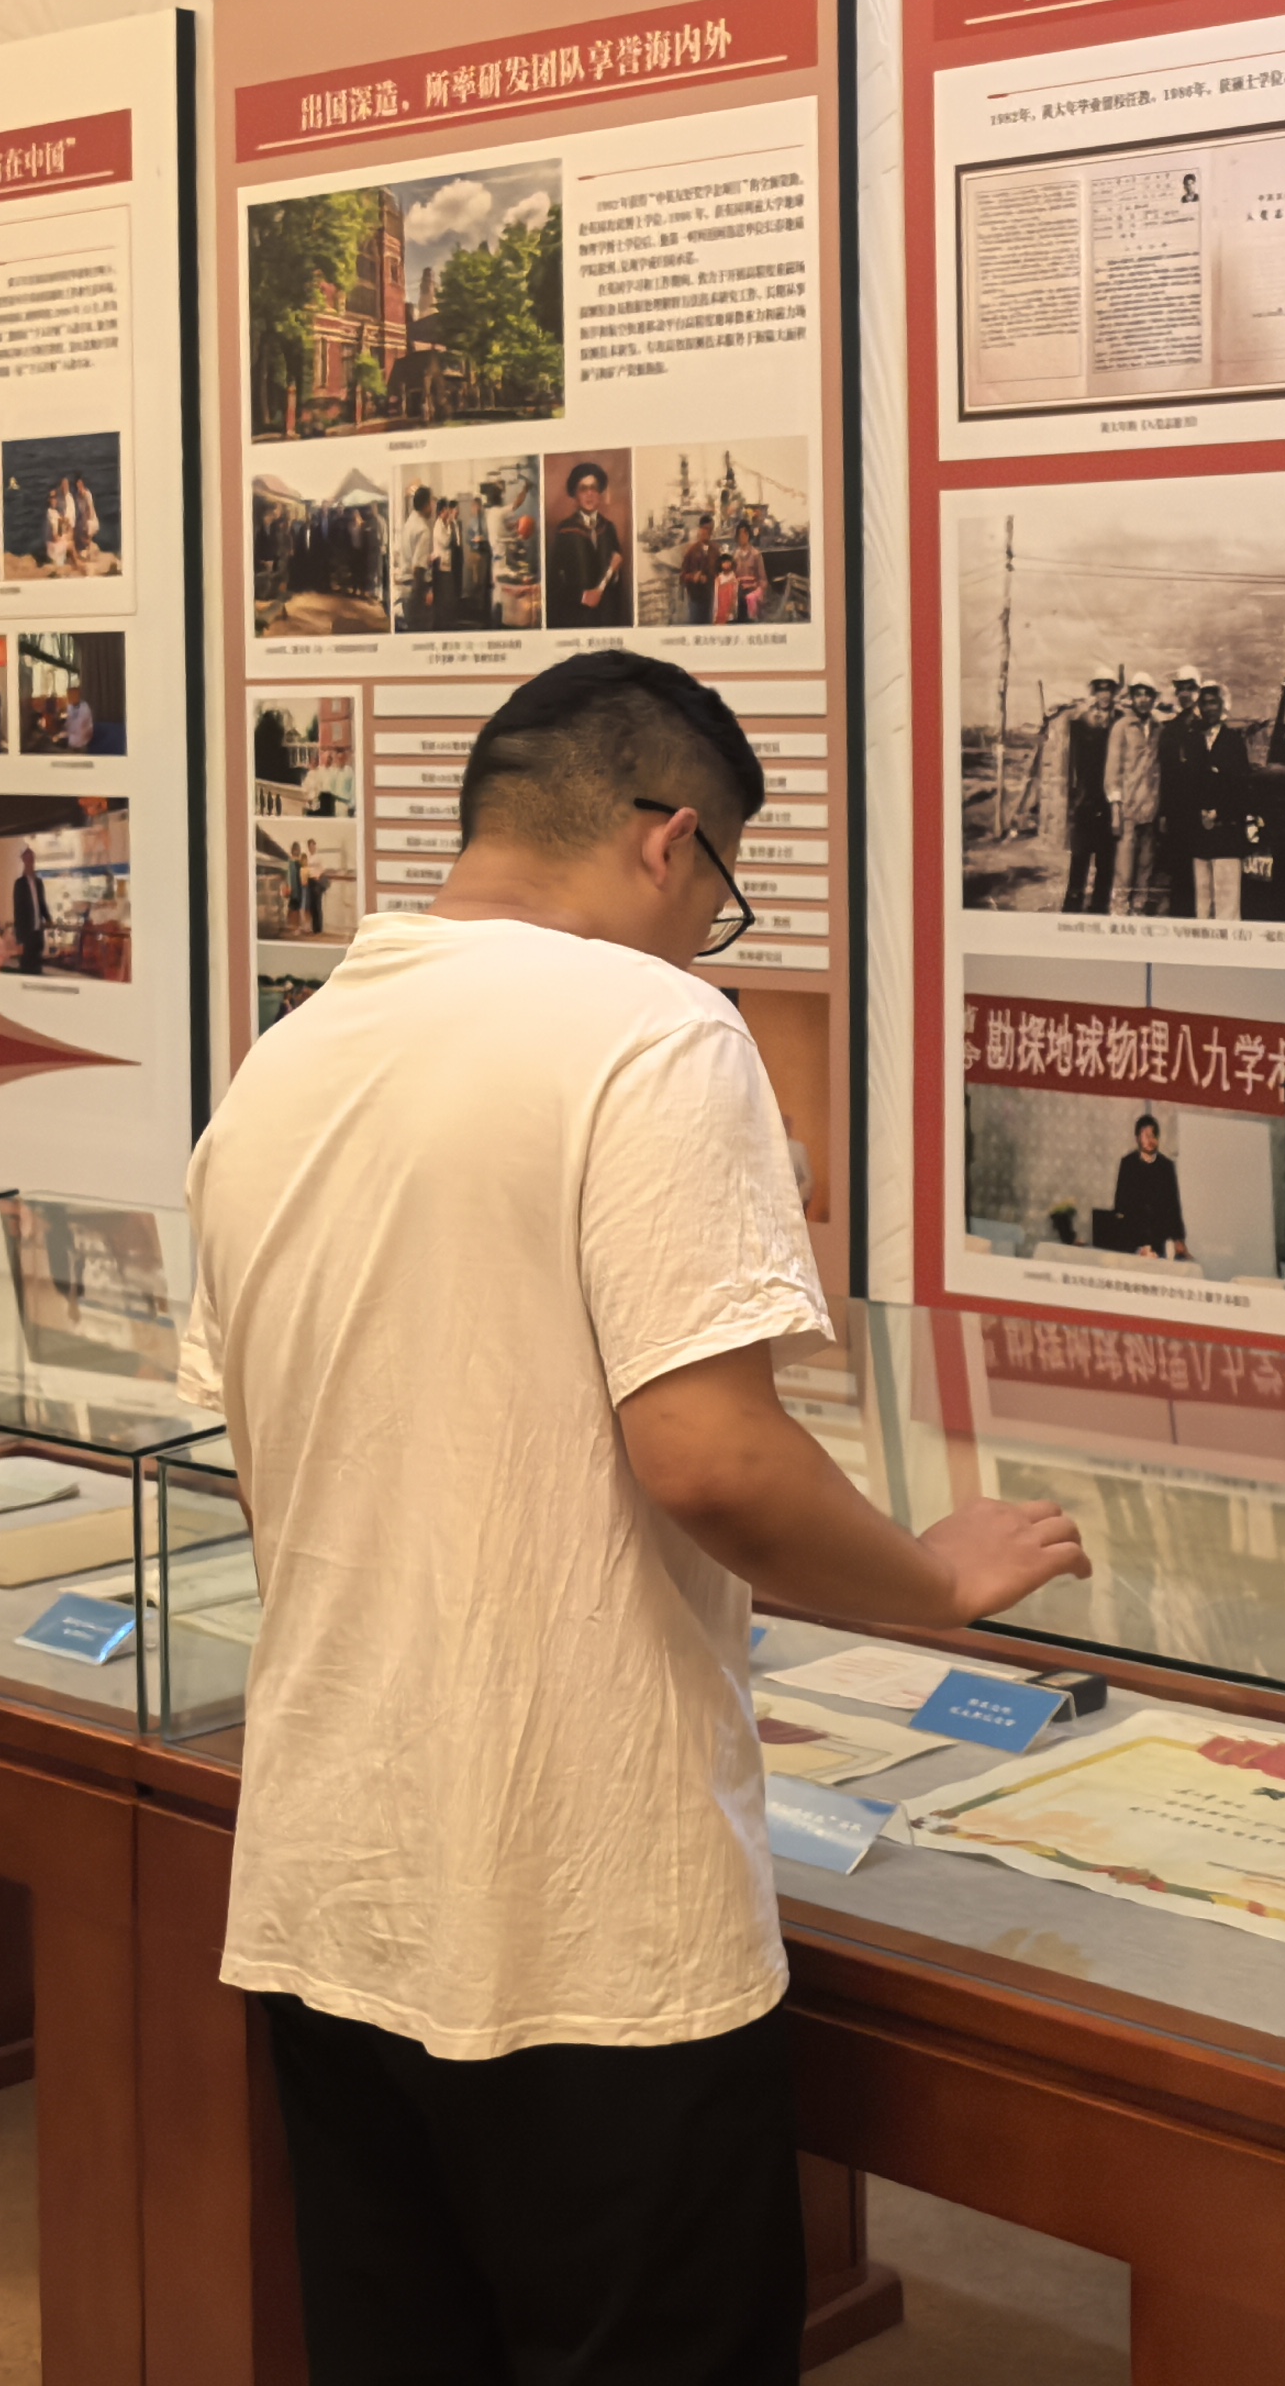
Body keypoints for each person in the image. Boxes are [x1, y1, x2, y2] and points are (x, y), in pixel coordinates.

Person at [177, 649, 1089, 2384]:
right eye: (720, 897)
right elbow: (712, 1458)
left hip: (332, 1886)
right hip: (586, 1913)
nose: (705, 938)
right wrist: (929, 1583)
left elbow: (278, 1440)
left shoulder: (288, 1058)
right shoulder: (652, 1026)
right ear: (671, 840)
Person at [1031, 674, 1119, 915]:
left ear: (1114, 693)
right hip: (1085, 801)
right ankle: (1072, 907)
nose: (1104, 695)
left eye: (1109, 690)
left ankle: (1099, 908)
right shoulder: (1080, 722)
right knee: (1080, 857)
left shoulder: (1119, 721)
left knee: (1106, 860)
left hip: (1110, 801)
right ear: (1094, 692)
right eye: (1100, 689)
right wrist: (1072, 798)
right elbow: (1069, 763)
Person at [1182, 680, 1249, 920]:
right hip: (1200, 833)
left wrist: (1219, 812)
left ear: (1222, 706)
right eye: (1204, 704)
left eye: (1214, 703)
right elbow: (1188, 783)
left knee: (1227, 902)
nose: (1209, 708)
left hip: (1226, 831)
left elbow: (1240, 785)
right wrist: (1199, 812)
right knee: (1203, 901)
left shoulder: (1234, 741)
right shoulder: (1193, 742)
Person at [1106, 675, 1167, 915]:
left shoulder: (1158, 729)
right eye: (1138, 694)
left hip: (1151, 806)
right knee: (1124, 865)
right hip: (1128, 807)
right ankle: (1120, 909)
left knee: (1146, 862)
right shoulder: (1122, 727)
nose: (1143, 699)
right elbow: (1113, 770)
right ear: (1132, 698)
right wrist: (1116, 808)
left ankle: (1138, 907)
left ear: (1153, 698)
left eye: (1147, 694)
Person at [547, 463, 629, 631]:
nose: (589, 494)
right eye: (583, 489)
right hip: (576, 618)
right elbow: (554, 580)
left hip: (606, 618)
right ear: (575, 494)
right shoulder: (565, 531)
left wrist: (614, 572)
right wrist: (582, 596)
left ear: (599, 494)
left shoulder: (608, 528)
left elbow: (617, 583)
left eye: (594, 488)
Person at [1109, 1112, 1188, 1260]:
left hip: (1159, 1237)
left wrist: (1178, 1238)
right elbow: (1120, 1202)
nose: (1150, 1140)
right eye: (1146, 1135)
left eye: (1153, 1136)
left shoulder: (1166, 1167)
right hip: (1132, 1237)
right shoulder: (1128, 1163)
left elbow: (1173, 1204)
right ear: (1137, 1138)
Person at [6, 843, 50, 971]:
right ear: (24, 861)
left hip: (38, 932)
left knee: (37, 965)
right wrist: (19, 938)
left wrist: (48, 919)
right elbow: (18, 910)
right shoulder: (20, 884)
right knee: (27, 966)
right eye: (28, 858)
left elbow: (42, 904)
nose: (30, 862)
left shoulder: (39, 883)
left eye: (32, 858)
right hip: (26, 933)